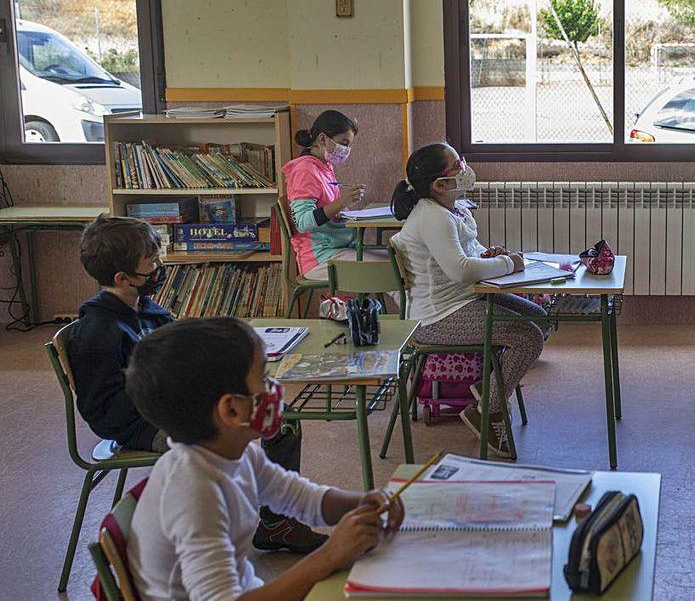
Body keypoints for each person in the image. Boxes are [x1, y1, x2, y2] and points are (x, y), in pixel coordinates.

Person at [69, 215, 326, 552]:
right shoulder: (98, 333)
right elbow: (100, 408)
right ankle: (210, 533)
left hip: (176, 405)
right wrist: (182, 411)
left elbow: (182, 351)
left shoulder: (145, 307)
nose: (160, 266)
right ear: (123, 278)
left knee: (283, 419)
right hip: (143, 424)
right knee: (228, 438)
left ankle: (276, 522)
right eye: (152, 262)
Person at [124, 317, 404, 600]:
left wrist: (363, 501)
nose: (273, 387)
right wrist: (329, 557)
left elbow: (302, 498)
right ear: (232, 410)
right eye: (263, 377)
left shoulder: (239, 453)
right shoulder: (194, 493)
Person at [390, 142, 547, 458]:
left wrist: (489, 256)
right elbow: (461, 270)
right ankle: (487, 408)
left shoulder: (447, 210)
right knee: (529, 337)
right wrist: (509, 264)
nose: (464, 168)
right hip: (436, 318)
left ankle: (489, 392)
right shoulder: (433, 217)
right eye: (457, 165)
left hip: (461, 302)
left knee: (538, 318)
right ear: (440, 185)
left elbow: (466, 254)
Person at [283, 109, 401, 306]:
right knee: (393, 272)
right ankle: (413, 326)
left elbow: (327, 210)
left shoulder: (322, 166)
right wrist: (342, 202)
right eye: (344, 143)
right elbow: (303, 223)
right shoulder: (304, 170)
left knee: (399, 260)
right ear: (322, 139)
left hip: (337, 247)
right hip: (319, 258)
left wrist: (345, 208)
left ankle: (412, 324)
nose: (346, 150)